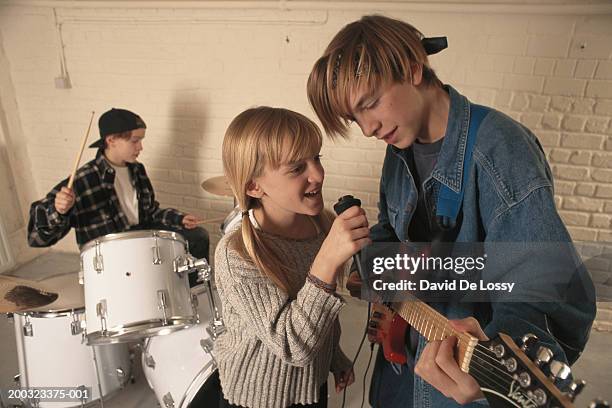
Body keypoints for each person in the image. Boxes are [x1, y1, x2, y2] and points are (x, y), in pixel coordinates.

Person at [307, 15, 596, 407]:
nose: (367, 129)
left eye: (370, 104)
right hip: (402, 366)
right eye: (353, 118)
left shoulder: (501, 150)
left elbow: (547, 288)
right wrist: (372, 263)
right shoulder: (399, 149)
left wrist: (493, 355)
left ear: (412, 68)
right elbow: (392, 230)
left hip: (459, 388)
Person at [214, 106, 366, 408]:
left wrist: (334, 357)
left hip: (312, 386)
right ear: (254, 186)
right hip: (257, 398)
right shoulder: (237, 255)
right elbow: (290, 345)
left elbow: (320, 314)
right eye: (297, 168)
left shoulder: (320, 224)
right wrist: (326, 261)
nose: (318, 175)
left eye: (317, 158)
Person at [27, 108, 210, 280]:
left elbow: (150, 213)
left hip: (140, 238)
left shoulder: (137, 169)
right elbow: (37, 238)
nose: (141, 147)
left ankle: (192, 296)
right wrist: (58, 211)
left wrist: (179, 219)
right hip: (109, 253)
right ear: (111, 140)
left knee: (197, 237)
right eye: (135, 140)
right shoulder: (83, 179)